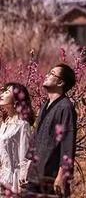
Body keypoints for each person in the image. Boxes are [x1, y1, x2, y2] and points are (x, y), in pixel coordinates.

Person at [22, 64, 77, 197]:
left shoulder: (66, 107)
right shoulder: (45, 105)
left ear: (60, 82)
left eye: (52, 73)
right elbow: (35, 139)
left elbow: (67, 144)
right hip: (35, 174)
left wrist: (61, 175)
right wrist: (27, 169)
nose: (46, 75)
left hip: (50, 177)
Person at [0, 83, 34, 193]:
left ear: (16, 100)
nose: (2, 94)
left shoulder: (22, 125)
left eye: (7, 92)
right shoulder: (4, 123)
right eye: (3, 91)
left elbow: (24, 157)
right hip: (2, 176)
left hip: (14, 180)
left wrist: (23, 181)